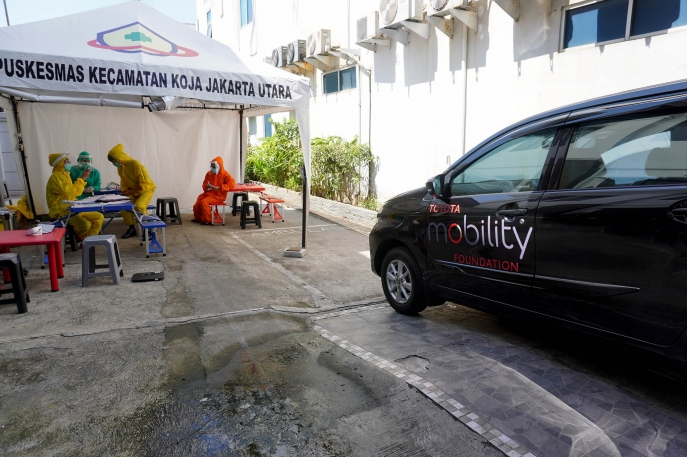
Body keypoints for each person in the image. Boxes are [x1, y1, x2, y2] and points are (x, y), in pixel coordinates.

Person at [46, 152, 104, 240]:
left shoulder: (65, 175)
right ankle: (83, 238)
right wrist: (83, 179)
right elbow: (69, 192)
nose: (69, 163)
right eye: (66, 161)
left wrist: (87, 187)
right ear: (60, 163)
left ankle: (88, 240)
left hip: (72, 206)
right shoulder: (55, 177)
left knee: (99, 217)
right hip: (60, 210)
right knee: (85, 224)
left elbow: (76, 193)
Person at [107, 144, 156, 239]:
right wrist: (124, 190)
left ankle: (148, 230)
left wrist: (131, 191)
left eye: (114, 161)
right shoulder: (120, 167)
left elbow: (145, 183)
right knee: (123, 205)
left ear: (119, 157)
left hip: (146, 189)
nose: (114, 164)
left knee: (139, 206)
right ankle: (131, 228)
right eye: (112, 162)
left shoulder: (135, 164)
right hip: (132, 191)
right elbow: (123, 181)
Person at [192, 157, 236, 224]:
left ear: (219, 165)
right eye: (212, 166)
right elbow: (204, 184)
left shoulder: (225, 175)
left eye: (214, 166)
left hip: (219, 196)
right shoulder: (209, 174)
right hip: (209, 194)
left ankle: (208, 220)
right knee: (198, 203)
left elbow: (232, 184)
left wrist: (220, 187)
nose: (212, 168)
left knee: (204, 202)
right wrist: (207, 187)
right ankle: (199, 218)